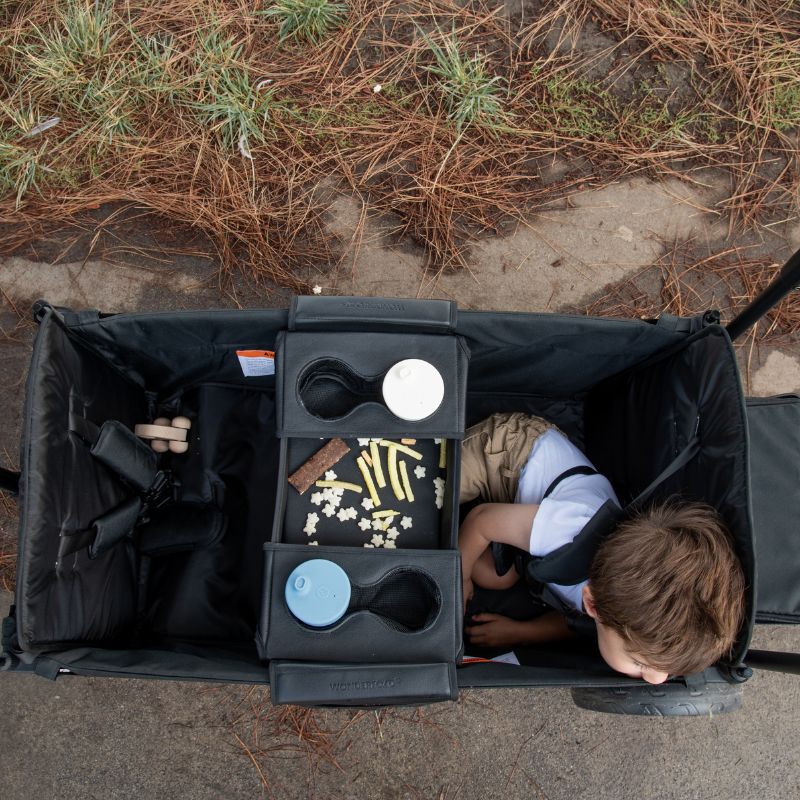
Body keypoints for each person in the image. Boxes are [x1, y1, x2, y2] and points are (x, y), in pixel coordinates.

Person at [458, 413, 745, 683]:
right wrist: (460, 577)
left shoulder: (610, 600)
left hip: (532, 525)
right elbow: (481, 521)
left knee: (494, 577)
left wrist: (520, 633)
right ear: (593, 603)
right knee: (427, 493)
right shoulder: (569, 531)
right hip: (511, 450)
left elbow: (572, 622)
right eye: (641, 663)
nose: (657, 680)